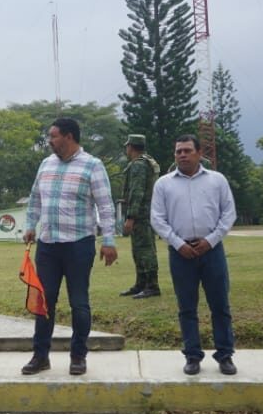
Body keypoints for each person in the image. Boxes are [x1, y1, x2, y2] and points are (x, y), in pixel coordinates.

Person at [21, 118, 118, 376]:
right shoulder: (46, 164)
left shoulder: (93, 166)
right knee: (44, 302)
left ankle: (78, 356)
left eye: (53, 136)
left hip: (78, 245)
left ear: (69, 136)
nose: (49, 141)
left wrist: (108, 240)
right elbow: (35, 199)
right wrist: (30, 224)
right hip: (48, 245)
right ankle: (40, 356)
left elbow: (105, 206)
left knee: (79, 302)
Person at [151, 135, 238, 376]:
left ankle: (225, 355)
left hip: (212, 251)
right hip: (180, 253)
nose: (182, 155)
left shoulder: (217, 181)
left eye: (187, 150)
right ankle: (192, 355)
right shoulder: (163, 184)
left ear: (199, 153)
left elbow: (228, 214)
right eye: (178, 151)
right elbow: (157, 219)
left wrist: (210, 241)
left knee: (220, 305)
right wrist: (178, 244)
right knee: (186, 307)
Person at [119, 134, 161, 299]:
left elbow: (137, 192)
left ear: (131, 146)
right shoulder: (146, 161)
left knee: (145, 250)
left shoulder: (138, 165)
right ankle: (141, 283)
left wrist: (131, 217)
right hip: (146, 213)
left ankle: (152, 285)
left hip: (141, 215)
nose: (126, 149)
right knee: (139, 249)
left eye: (127, 146)